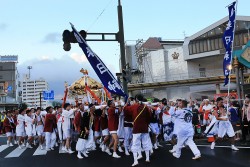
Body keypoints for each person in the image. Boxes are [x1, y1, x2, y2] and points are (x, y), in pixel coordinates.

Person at [124, 94, 152, 167]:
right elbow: (149, 117)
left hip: (136, 128)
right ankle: (147, 158)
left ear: (136, 99)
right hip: (144, 127)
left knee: (135, 144)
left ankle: (135, 161)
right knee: (146, 142)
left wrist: (127, 104)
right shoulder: (145, 107)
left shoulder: (134, 106)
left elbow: (126, 109)